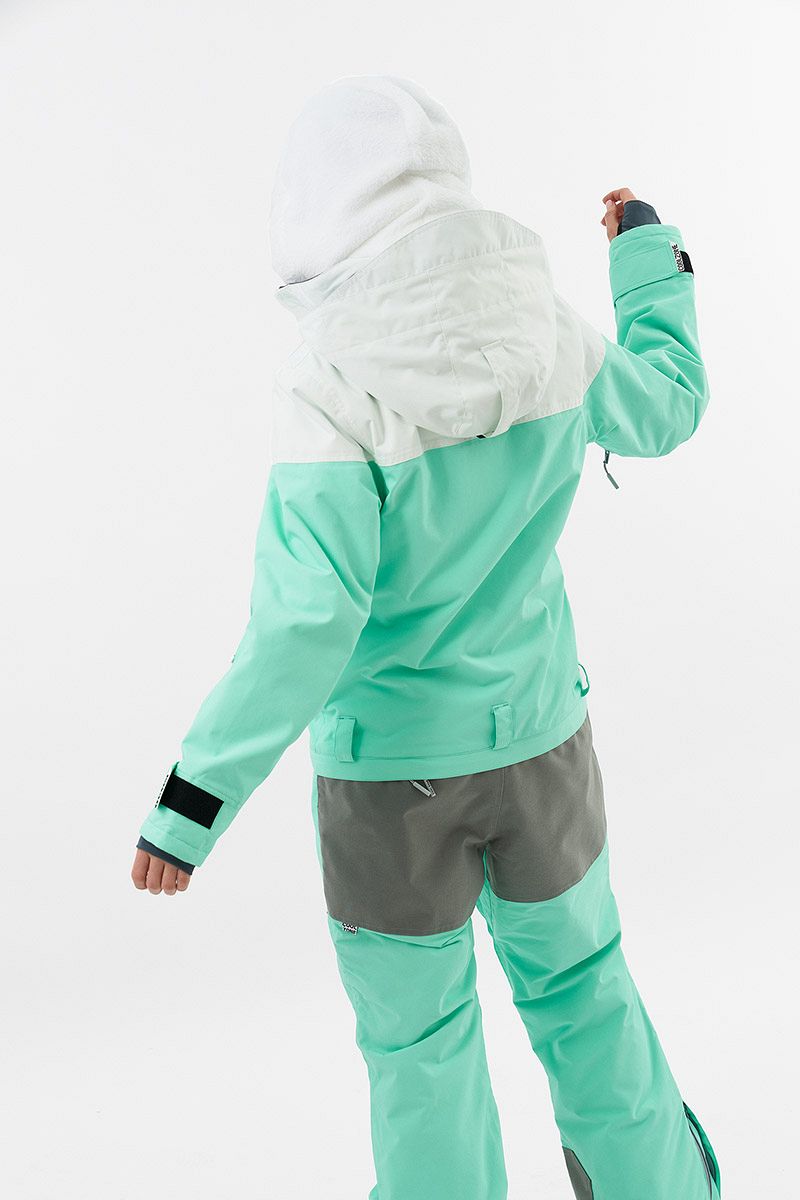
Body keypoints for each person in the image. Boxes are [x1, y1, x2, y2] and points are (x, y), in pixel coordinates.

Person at [131, 75, 721, 1200]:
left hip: (387, 785)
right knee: (585, 992)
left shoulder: (328, 382)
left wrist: (189, 805)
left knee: (419, 1050)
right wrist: (647, 257)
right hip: (542, 748)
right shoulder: (541, 326)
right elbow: (667, 409)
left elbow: (307, 621)